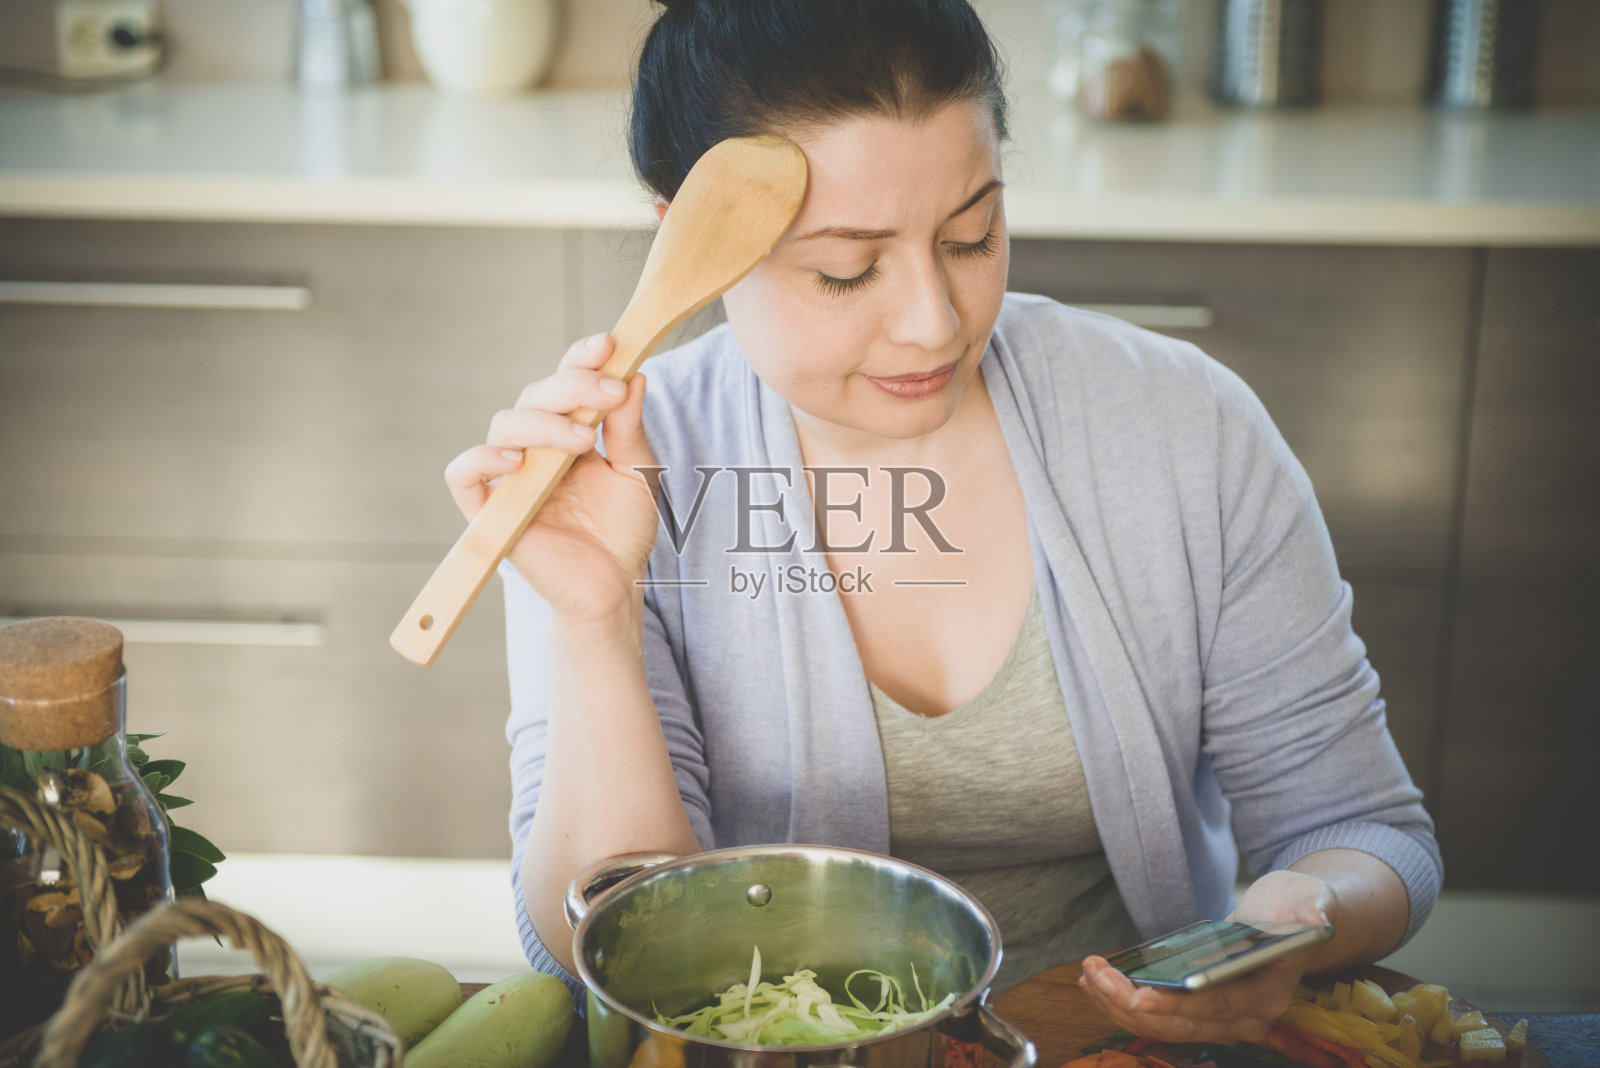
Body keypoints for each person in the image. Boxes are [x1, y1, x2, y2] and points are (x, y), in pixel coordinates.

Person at [446, 0, 1442, 1045]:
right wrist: (595, 618)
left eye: (971, 235)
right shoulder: (614, 478)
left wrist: (1299, 923)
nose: (934, 319)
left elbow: (1361, 832)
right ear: (694, 247)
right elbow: (591, 935)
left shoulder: (1182, 427)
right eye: (846, 268)